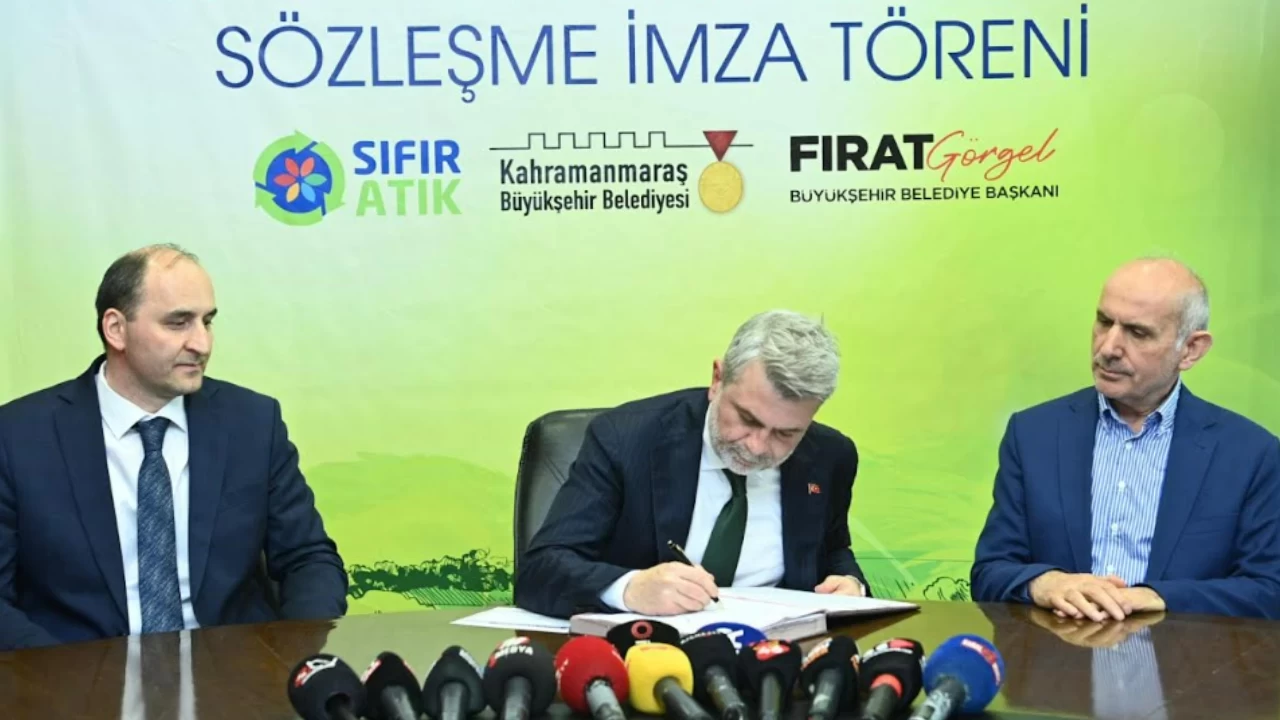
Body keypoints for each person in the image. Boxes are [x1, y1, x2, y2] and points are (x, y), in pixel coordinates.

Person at [0, 244, 347, 650]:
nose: (202, 343)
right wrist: (60, 677)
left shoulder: (252, 423)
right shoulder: (19, 437)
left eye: (207, 321)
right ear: (116, 329)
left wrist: (296, 660)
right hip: (74, 674)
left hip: (236, 672)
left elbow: (309, 560)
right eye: (178, 323)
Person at [972, 258, 1280, 620]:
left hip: (1183, 654)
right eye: (1104, 322)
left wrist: (1158, 597)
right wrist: (1044, 583)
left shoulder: (1251, 454)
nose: (1108, 348)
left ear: (1191, 349)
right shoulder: (1032, 434)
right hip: (1058, 653)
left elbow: (1269, 589)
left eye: (1137, 333)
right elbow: (990, 571)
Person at [515, 310, 869, 618]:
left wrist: (850, 583)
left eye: (786, 433)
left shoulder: (831, 456)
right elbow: (540, 570)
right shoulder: (625, 439)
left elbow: (833, 550)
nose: (757, 446)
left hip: (777, 656)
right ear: (717, 379)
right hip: (648, 654)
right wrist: (630, 589)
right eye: (747, 418)